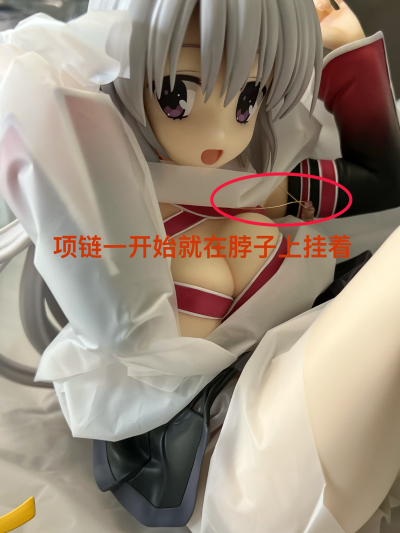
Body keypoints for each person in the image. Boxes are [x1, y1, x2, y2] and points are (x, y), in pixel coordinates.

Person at [0, 0, 399, 531]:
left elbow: (380, 184)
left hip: (309, 391)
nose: (219, 136)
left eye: (247, 98)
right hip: (232, 469)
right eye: (179, 94)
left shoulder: (249, 188)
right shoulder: (111, 213)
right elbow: (35, 107)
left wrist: (347, 53)